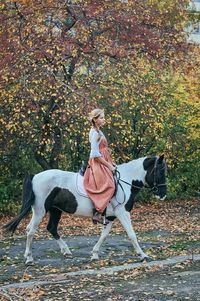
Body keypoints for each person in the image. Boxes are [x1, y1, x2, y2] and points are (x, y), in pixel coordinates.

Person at [83, 108, 116, 225]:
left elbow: (102, 149)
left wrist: (110, 160)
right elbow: (95, 154)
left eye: (103, 117)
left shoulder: (99, 131)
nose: (104, 119)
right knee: (109, 185)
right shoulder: (95, 133)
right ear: (95, 119)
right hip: (97, 163)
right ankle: (98, 212)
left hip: (104, 161)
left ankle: (108, 210)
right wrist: (109, 166)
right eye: (101, 117)